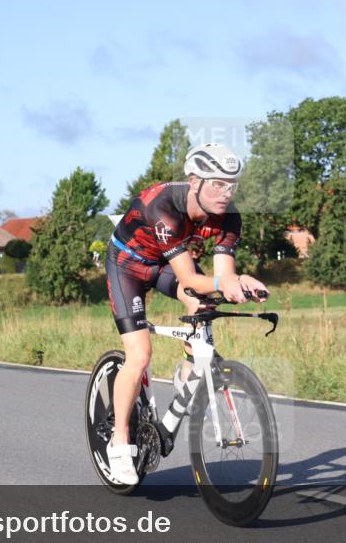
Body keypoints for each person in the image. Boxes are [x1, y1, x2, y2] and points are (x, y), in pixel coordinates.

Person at [104, 143, 269, 485]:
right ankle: (119, 442)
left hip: (164, 264)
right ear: (194, 181)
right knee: (139, 355)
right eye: (217, 184)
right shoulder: (164, 207)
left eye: (232, 185)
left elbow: (220, 275)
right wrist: (227, 282)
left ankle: (189, 370)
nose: (226, 193)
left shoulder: (229, 217)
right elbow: (192, 278)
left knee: (202, 304)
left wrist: (240, 281)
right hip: (128, 268)